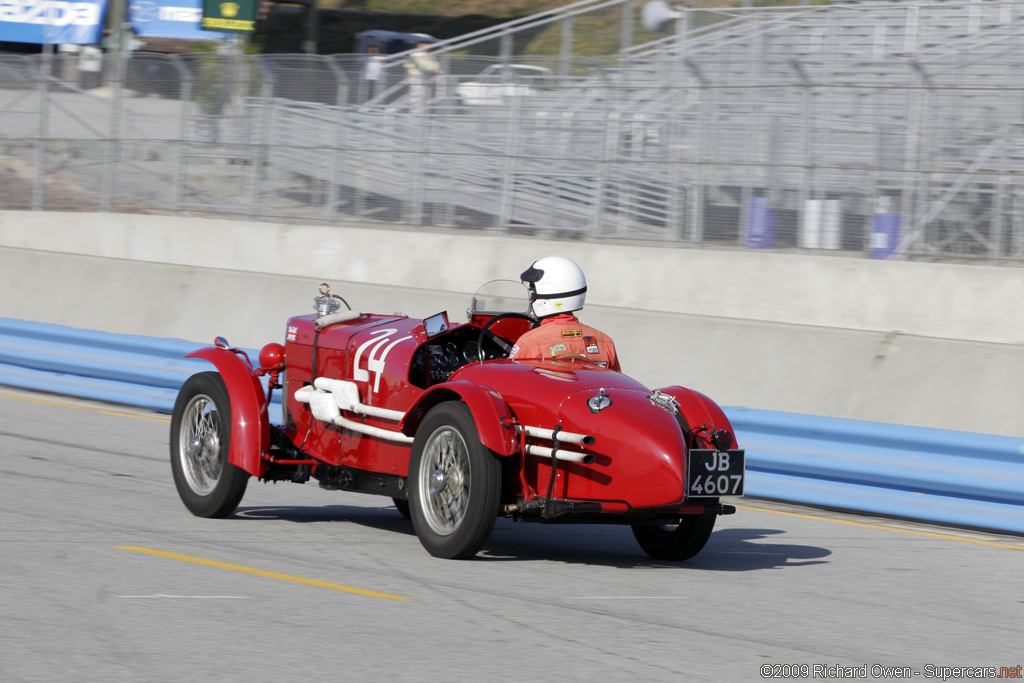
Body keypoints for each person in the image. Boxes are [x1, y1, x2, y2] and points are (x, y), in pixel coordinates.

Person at [509, 256, 620, 371]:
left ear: (544, 297)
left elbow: (512, 383)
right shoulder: (605, 342)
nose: (530, 300)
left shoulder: (530, 344)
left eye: (532, 295)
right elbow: (617, 385)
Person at [404, 41, 440, 112]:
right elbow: (408, 68)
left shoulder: (429, 55)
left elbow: (407, 68)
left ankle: (418, 111)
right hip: (417, 77)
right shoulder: (415, 55)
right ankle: (416, 111)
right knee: (418, 95)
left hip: (423, 77)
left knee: (421, 95)